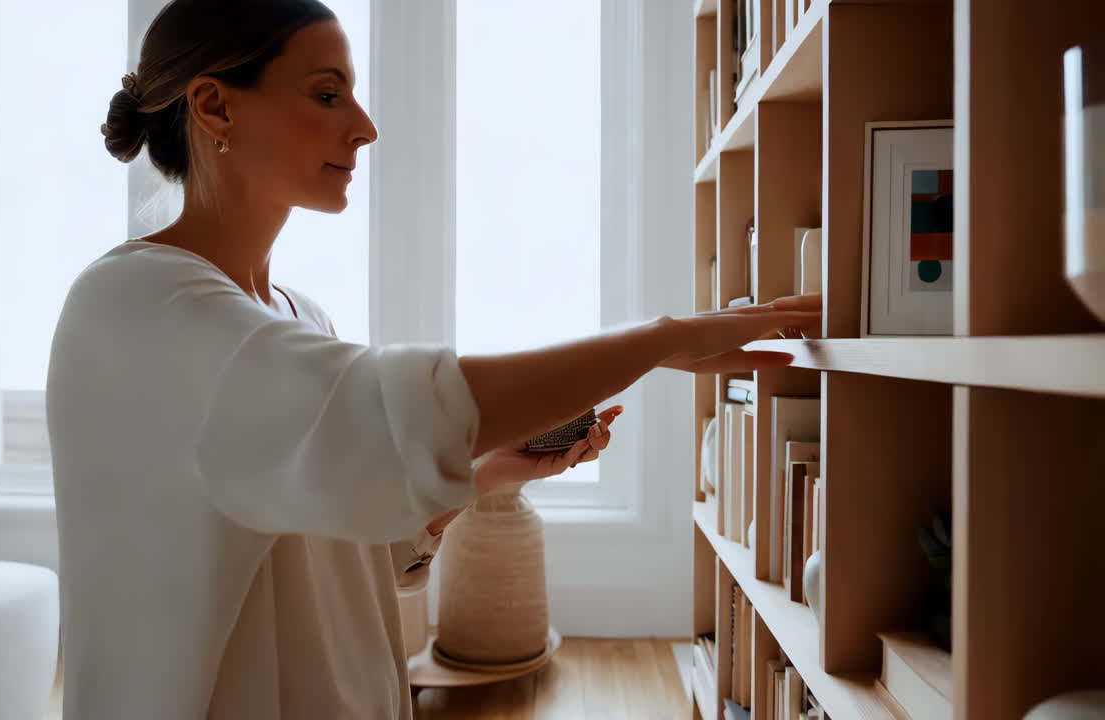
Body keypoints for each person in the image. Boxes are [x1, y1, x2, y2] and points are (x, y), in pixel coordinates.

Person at [46, 0, 821, 717]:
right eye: (327, 95)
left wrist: (488, 472)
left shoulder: (297, 317)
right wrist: (662, 341)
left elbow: (340, 544)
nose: (365, 127)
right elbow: (385, 406)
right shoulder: (135, 308)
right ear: (216, 106)